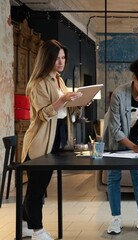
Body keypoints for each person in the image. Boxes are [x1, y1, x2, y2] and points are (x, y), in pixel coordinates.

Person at [21, 40, 83, 240]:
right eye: (56, 58)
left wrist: (80, 102)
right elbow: (43, 115)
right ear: (47, 58)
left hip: (58, 135)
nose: (60, 62)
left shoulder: (59, 80)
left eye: (63, 58)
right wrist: (63, 99)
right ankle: (37, 230)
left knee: (39, 184)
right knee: (37, 186)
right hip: (40, 139)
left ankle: (24, 223)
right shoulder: (38, 83)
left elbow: (64, 111)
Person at [103, 57, 138, 237]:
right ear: (134, 78)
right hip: (116, 142)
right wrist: (134, 147)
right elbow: (115, 130)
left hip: (135, 141)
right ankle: (116, 219)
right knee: (113, 177)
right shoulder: (119, 94)